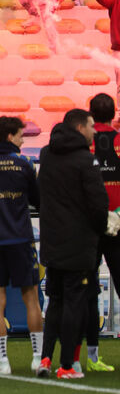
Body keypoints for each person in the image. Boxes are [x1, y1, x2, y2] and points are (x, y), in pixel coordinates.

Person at [37, 109, 110, 379]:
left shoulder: (47, 155)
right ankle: (67, 364)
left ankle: (45, 358)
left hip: (52, 240)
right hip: (78, 243)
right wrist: (103, 226)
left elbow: (39, 193)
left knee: (55, 301)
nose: (94, 131)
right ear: (80, 128)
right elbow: (98, 202)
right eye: (91, 126)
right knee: (75, 303)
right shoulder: (85, 159)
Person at [0, 116, 43, 375]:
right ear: (11, 136)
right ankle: (37, 359)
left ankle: (3, 363)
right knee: (32, 299)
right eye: (21, 135)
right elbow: (37, 200)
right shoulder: (24, 164)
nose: (23, 140)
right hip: (21, 238)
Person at [82, 93, 120, 372]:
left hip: (88, 225)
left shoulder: (84, 145)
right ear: (114, 112)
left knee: (88, 290)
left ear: (90, 114)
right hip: (119, 224)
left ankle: (92, 356)